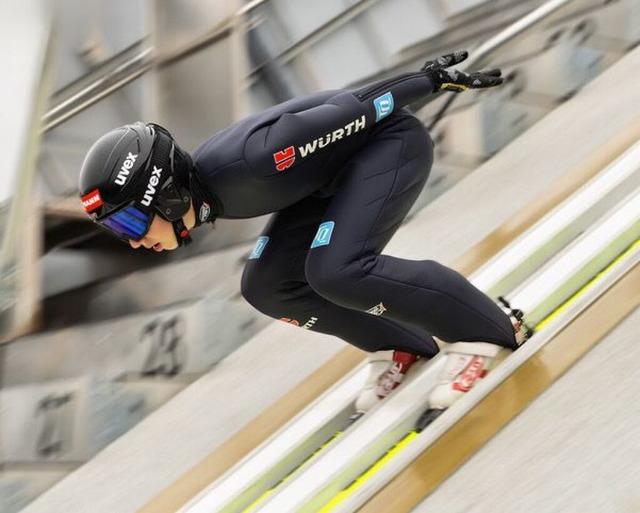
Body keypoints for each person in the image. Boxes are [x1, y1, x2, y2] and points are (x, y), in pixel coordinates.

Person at [78, 51, 528, 416]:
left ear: (167, 196)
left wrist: (432, 80)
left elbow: (354, 107)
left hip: (390, 146)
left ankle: (485, 329)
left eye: (131, 222)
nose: (134, 241)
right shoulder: (212, 191)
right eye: (118, 230)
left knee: (338, 270)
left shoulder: (254, 161)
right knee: (266, 286)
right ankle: (400, 345)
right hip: (331, 177)